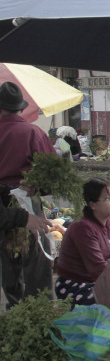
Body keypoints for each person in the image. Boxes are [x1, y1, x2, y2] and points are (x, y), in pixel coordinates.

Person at [0, 81, 57, 306]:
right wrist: (37, 186)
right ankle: (39, 311)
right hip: (27, 204)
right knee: (35, 263)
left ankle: (15, 308)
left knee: (8, 263)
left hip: (2, 206)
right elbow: (53, 177)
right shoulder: (33, 132)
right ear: (20, 108)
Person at [54, 178, 110, 306]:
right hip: (76, 283)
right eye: (107, 198)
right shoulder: (82, 227)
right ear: (92, 204)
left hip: (104, 278)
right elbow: (97, 269)